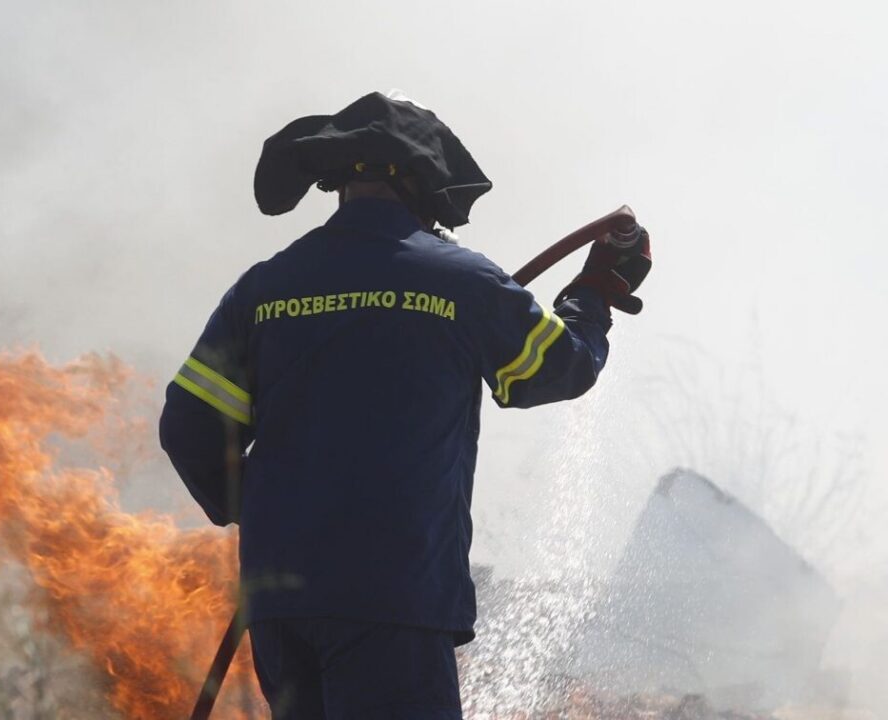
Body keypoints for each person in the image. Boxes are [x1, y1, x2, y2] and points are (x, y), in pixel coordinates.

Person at [159, 91, 650, 719]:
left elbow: (189, 424)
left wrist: (256, 504)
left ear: (341, 182)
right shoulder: (461, 282)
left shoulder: (266, 287)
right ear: (424, 183)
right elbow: (563, 367)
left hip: (283, 604)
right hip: (394, 596)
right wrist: (595, 291)